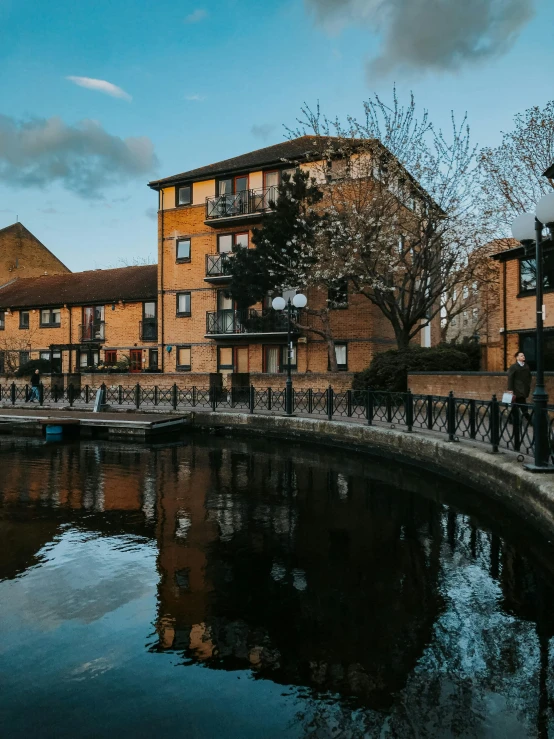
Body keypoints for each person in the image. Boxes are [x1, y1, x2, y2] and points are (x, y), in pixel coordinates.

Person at [507, 350, 531, 422]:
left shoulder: (526, 366)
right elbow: (510, 378)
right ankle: (529, 419)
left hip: (525, 388)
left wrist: (528, 384)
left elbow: (529, 376)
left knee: (516, 405)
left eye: (523, 355)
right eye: (521, 356)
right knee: (522, 404)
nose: (523, 357)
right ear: (517, 358)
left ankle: (510, 419)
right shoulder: (513, 367)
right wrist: (510, 389)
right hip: (517, 388)